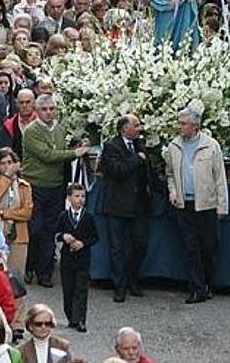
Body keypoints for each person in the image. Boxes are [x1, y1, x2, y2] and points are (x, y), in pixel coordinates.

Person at [22, 94, 89, 287]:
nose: (49, 112)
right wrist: (74, 153)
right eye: (44, 109)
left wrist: (80, 145)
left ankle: (45, 272)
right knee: (34, 229)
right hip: (35, 185)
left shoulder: (60, 129)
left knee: (51, 230)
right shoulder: (32, 131)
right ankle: (29, 266)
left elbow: (65, 147)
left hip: (56, 185)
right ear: (37, 111)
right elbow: (48, 155)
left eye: (52, 109)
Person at [165, 103, 228, 304]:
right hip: (185, 204)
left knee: (208, 247)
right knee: (190, 247)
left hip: (207, 204)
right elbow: (170, 175)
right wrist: (173, 191)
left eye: (183, 124)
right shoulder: (174, 146)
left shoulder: (211, 145)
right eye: (179, 123)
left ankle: (206, 284)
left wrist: (222, 205)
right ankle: (197, 288)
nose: (180, 127)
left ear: (195, 126)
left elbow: (220, 177)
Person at [99, 114, 150, 302]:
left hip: (139, 204)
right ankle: (119, 286)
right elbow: (117, 170)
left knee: (140, 243)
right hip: (118, 204)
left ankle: (133, 279)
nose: (139, 128)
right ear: (124, 129)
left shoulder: (141, 144)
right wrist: (137, 159)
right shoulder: (112, 146)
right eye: (135, 125)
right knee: (117, 247)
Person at [56, 183, 99, 333]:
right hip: (67, 260)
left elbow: (95, 237)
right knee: (68, 289)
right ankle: (71, 317)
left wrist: (83, 243)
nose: (80, 199)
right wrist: (63, 236)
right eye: (77, 196)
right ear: (69, 198)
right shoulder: (63, 216)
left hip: (83, 260)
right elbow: (56, 234)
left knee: (81, 290)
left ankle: (80, 319)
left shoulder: (89, 217)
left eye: (82, 196)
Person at [0, 148, 34, 277]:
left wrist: (2, 213)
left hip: (18, 235)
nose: (7, 166)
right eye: (3, 163)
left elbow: (26, 213)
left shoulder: (24, 186)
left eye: (10, 162)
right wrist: (6, 177)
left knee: (16, 277)